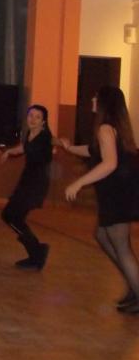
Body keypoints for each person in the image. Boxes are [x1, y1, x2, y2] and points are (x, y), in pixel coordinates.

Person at [59, 86, 139, 314]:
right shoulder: (113, 128)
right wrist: (69, 147)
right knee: (103, 235)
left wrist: (78, 183)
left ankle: (137, 289)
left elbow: (109, 163)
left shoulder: (105, 128)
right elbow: (93, 150)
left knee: (121, 246)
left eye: (96, 96)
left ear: (105, 102)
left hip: (117, 194)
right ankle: (133, 284)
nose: (93, 98)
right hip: (117, 192)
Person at [0, 105, 53, 270]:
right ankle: (37, 252)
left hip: (36, 184)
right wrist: (9, 152)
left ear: (43, 122)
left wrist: (61, 143)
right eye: (31, 115)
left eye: (37, 117)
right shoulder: (31, 133)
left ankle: (37, 252)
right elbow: (24, 147)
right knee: (13, 217)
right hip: (27, 181)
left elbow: (51, 141)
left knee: (10, 215)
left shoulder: (45, 137)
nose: (33, 119)